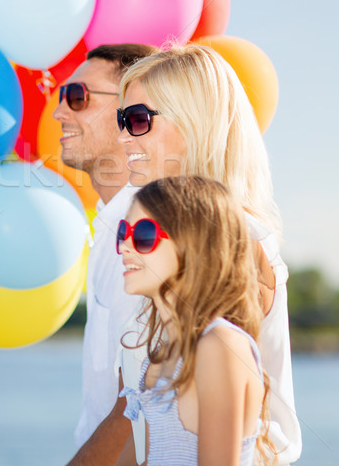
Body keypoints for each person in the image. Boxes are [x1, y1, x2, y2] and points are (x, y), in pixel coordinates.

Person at [115, 45, 300, 465]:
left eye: (139, 119)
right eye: (122, 120)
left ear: (194, 123)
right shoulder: (167, 241)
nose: (124, 136)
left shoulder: (239, 242)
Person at [117, 175, 275, 466]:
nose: (125, 246)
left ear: (194, 247)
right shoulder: (160, 359)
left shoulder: (220, 346)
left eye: (143, 235)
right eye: (122, 231)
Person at [53, 44, 159, 460]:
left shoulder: (145, 231)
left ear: (130, 111)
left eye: (77, 97)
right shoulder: (109, 225)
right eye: (62, 97)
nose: (61, 113)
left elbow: (138, 403)